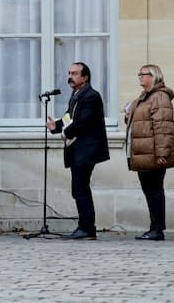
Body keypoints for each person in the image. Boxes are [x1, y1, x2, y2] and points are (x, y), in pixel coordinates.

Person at [46, 62, 109, 240]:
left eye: (74, 73)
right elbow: (69, 117)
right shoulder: (76, 95)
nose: (70, 77)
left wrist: (65, 132)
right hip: (77, 149)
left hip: (86, 149)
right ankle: (86, 227)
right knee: (78, 188)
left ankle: (87, 228)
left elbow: (83, 122)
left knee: (80, 187)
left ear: (85, 77)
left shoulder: (91, 96)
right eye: (69, 73)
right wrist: (56, 126)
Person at [125, 64, 174, 241]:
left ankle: (157, 229)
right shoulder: (145, 97)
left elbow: (163, 127)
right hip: (144, 153)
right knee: (150, 190)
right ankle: (155, 228)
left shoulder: (160, 97)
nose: (140, 76)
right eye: (138, 73)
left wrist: (162, 154)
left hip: (153, 154)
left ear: (154, 76)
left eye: (143, 74)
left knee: (154, 190)